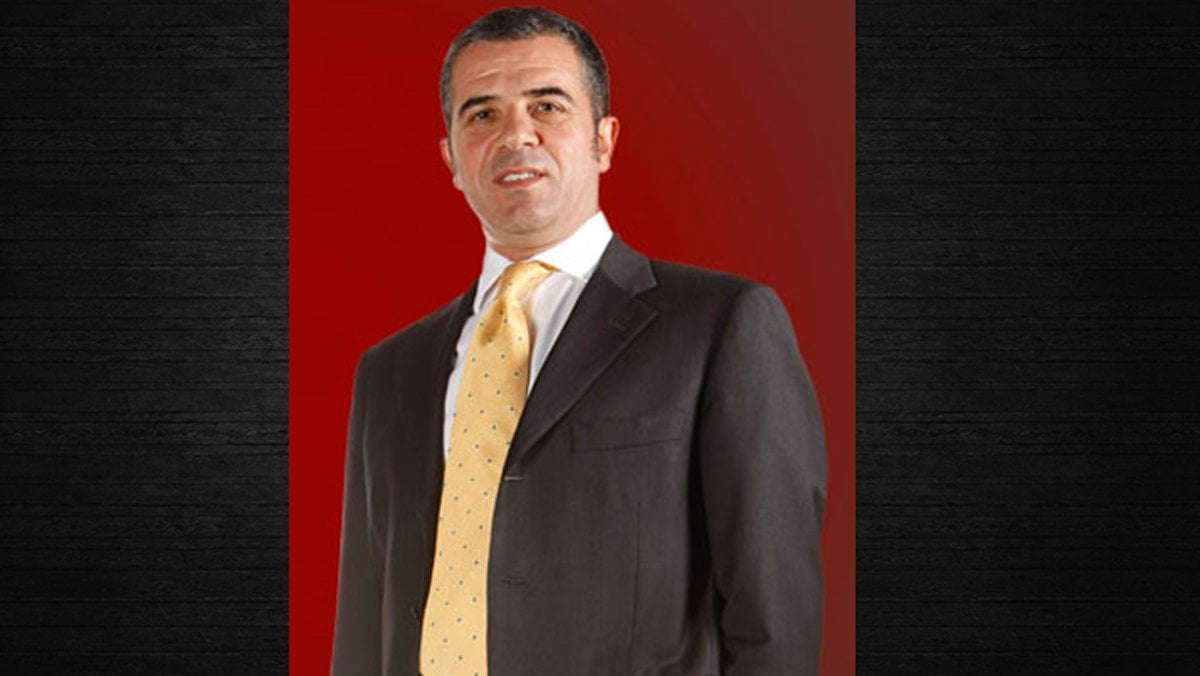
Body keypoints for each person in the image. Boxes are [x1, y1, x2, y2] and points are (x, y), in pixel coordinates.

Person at [331, 7, 825, 675]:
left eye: (548, 106)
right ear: (451, 159)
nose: (516, 134)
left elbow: (775, 620)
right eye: (482, 114)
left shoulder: (720, 326)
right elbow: (364, 629)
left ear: (603, 140)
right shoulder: (391, 370)